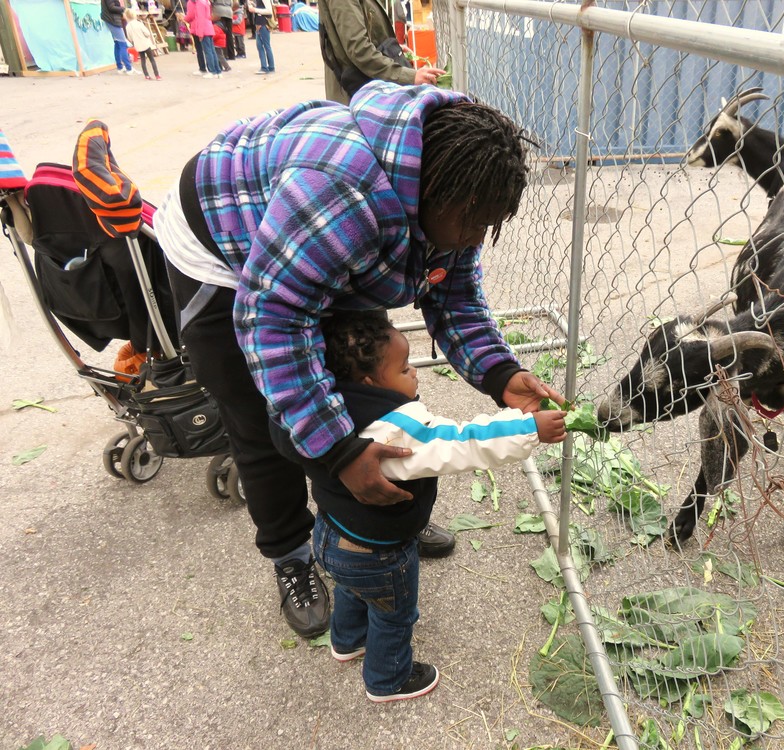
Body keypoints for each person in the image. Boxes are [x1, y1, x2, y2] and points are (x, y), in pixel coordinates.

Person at [152, 81, 563, 640]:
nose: (474, 238)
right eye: (470, 224)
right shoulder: (341, 195)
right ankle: (293, 554)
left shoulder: (452, 193)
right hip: (223, 244)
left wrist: (501, 374)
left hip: (303, 243)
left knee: (365, 382)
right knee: (265, 417)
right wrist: (337, 448)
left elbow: (455, 295)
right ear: (433, 194)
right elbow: (273, 320)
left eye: (487, 227)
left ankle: (370, 527)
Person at [271, 312, 565, 702]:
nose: (415, 374)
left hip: (329, 536)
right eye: (405, 368)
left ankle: (347, 642)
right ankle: (387, 679)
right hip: (380, 554)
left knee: (351, 592)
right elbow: (462, 442)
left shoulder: (327, 413)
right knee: (394, 615)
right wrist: (528, 428)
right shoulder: (395, 427)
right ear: (371, 381)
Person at [317, 0, 445, 104]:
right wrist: (409, 76)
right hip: (355, 94)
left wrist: (391, 51)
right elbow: (359, 50)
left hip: (366, 92)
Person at [124, 9, 162, 80]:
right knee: (152, 59)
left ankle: (146, 75)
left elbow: (129, 37)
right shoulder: (139, 23)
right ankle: (157, 75)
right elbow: (147, 33)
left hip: (138, 45)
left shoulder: (127, 26)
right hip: (146, 44)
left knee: (143, 60)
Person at [101, 0, 136, 75]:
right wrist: (124, 9)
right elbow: (111, 7)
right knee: (123, 44)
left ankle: (120, 67)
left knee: (117, 43)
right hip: (112, 20)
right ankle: (129, 68)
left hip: (112, 19)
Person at [250, 0, 275, 75]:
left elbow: (269, 11)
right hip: (261, 24)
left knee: (263, 46)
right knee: (263, 46)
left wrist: (255, 10)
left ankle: (265, 67)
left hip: (262, 24)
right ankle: (270, 66)